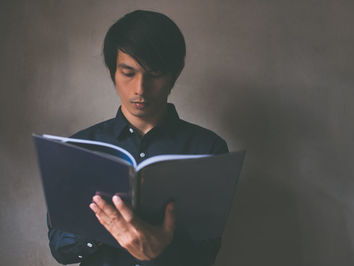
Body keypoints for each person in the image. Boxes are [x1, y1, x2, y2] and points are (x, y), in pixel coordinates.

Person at [47, 10, 228, 266]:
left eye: (154, 74)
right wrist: (105, 228)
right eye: (128, 73)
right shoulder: (79, 147)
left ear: (175, 73)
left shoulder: (207, 148)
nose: (140, 89)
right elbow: (59, 250)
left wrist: (159, 247)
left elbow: (207, 252)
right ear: (112, 72)